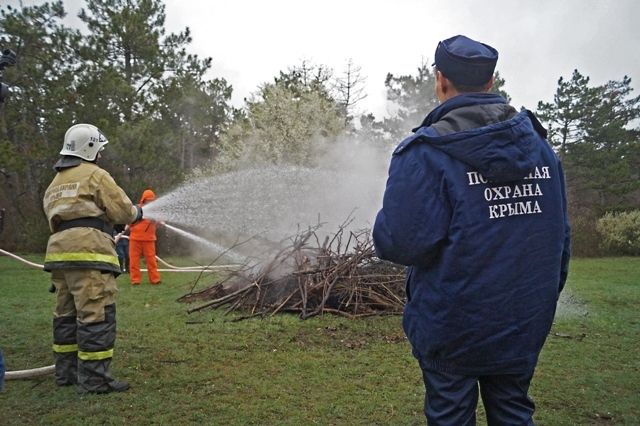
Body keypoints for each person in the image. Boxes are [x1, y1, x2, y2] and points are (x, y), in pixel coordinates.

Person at [373, 35, 571, 425]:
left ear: (441, 79)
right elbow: (559, 241)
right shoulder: (542, 150)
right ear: (491, 82)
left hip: (452, 327)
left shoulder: (426, 152)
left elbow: (398, 242)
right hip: (523, 321)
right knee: (514, 411)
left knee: (450, 416)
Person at [43, 123, 143, 394]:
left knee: (65, 314)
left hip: (60, 256)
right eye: (99, 149)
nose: (100, 155)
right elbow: (122, 211)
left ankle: (67, 374)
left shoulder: (56, 182)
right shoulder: (95, 175)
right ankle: (95, 380)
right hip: (88, 253)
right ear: (89, 148)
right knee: (95, 315)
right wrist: (138, 214)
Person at [128, 189, 161, 285]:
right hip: (134, 239)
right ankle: (135, 280)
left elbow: (160, 222)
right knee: (134, 261)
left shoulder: (155, 211)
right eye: (148, 200)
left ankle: (155, 279)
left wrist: (157, 221)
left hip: (149, 240)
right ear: (143, 199)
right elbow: (129, 221)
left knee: (151, 261)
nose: (149, 202)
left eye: (151, 200)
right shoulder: (136, 209)